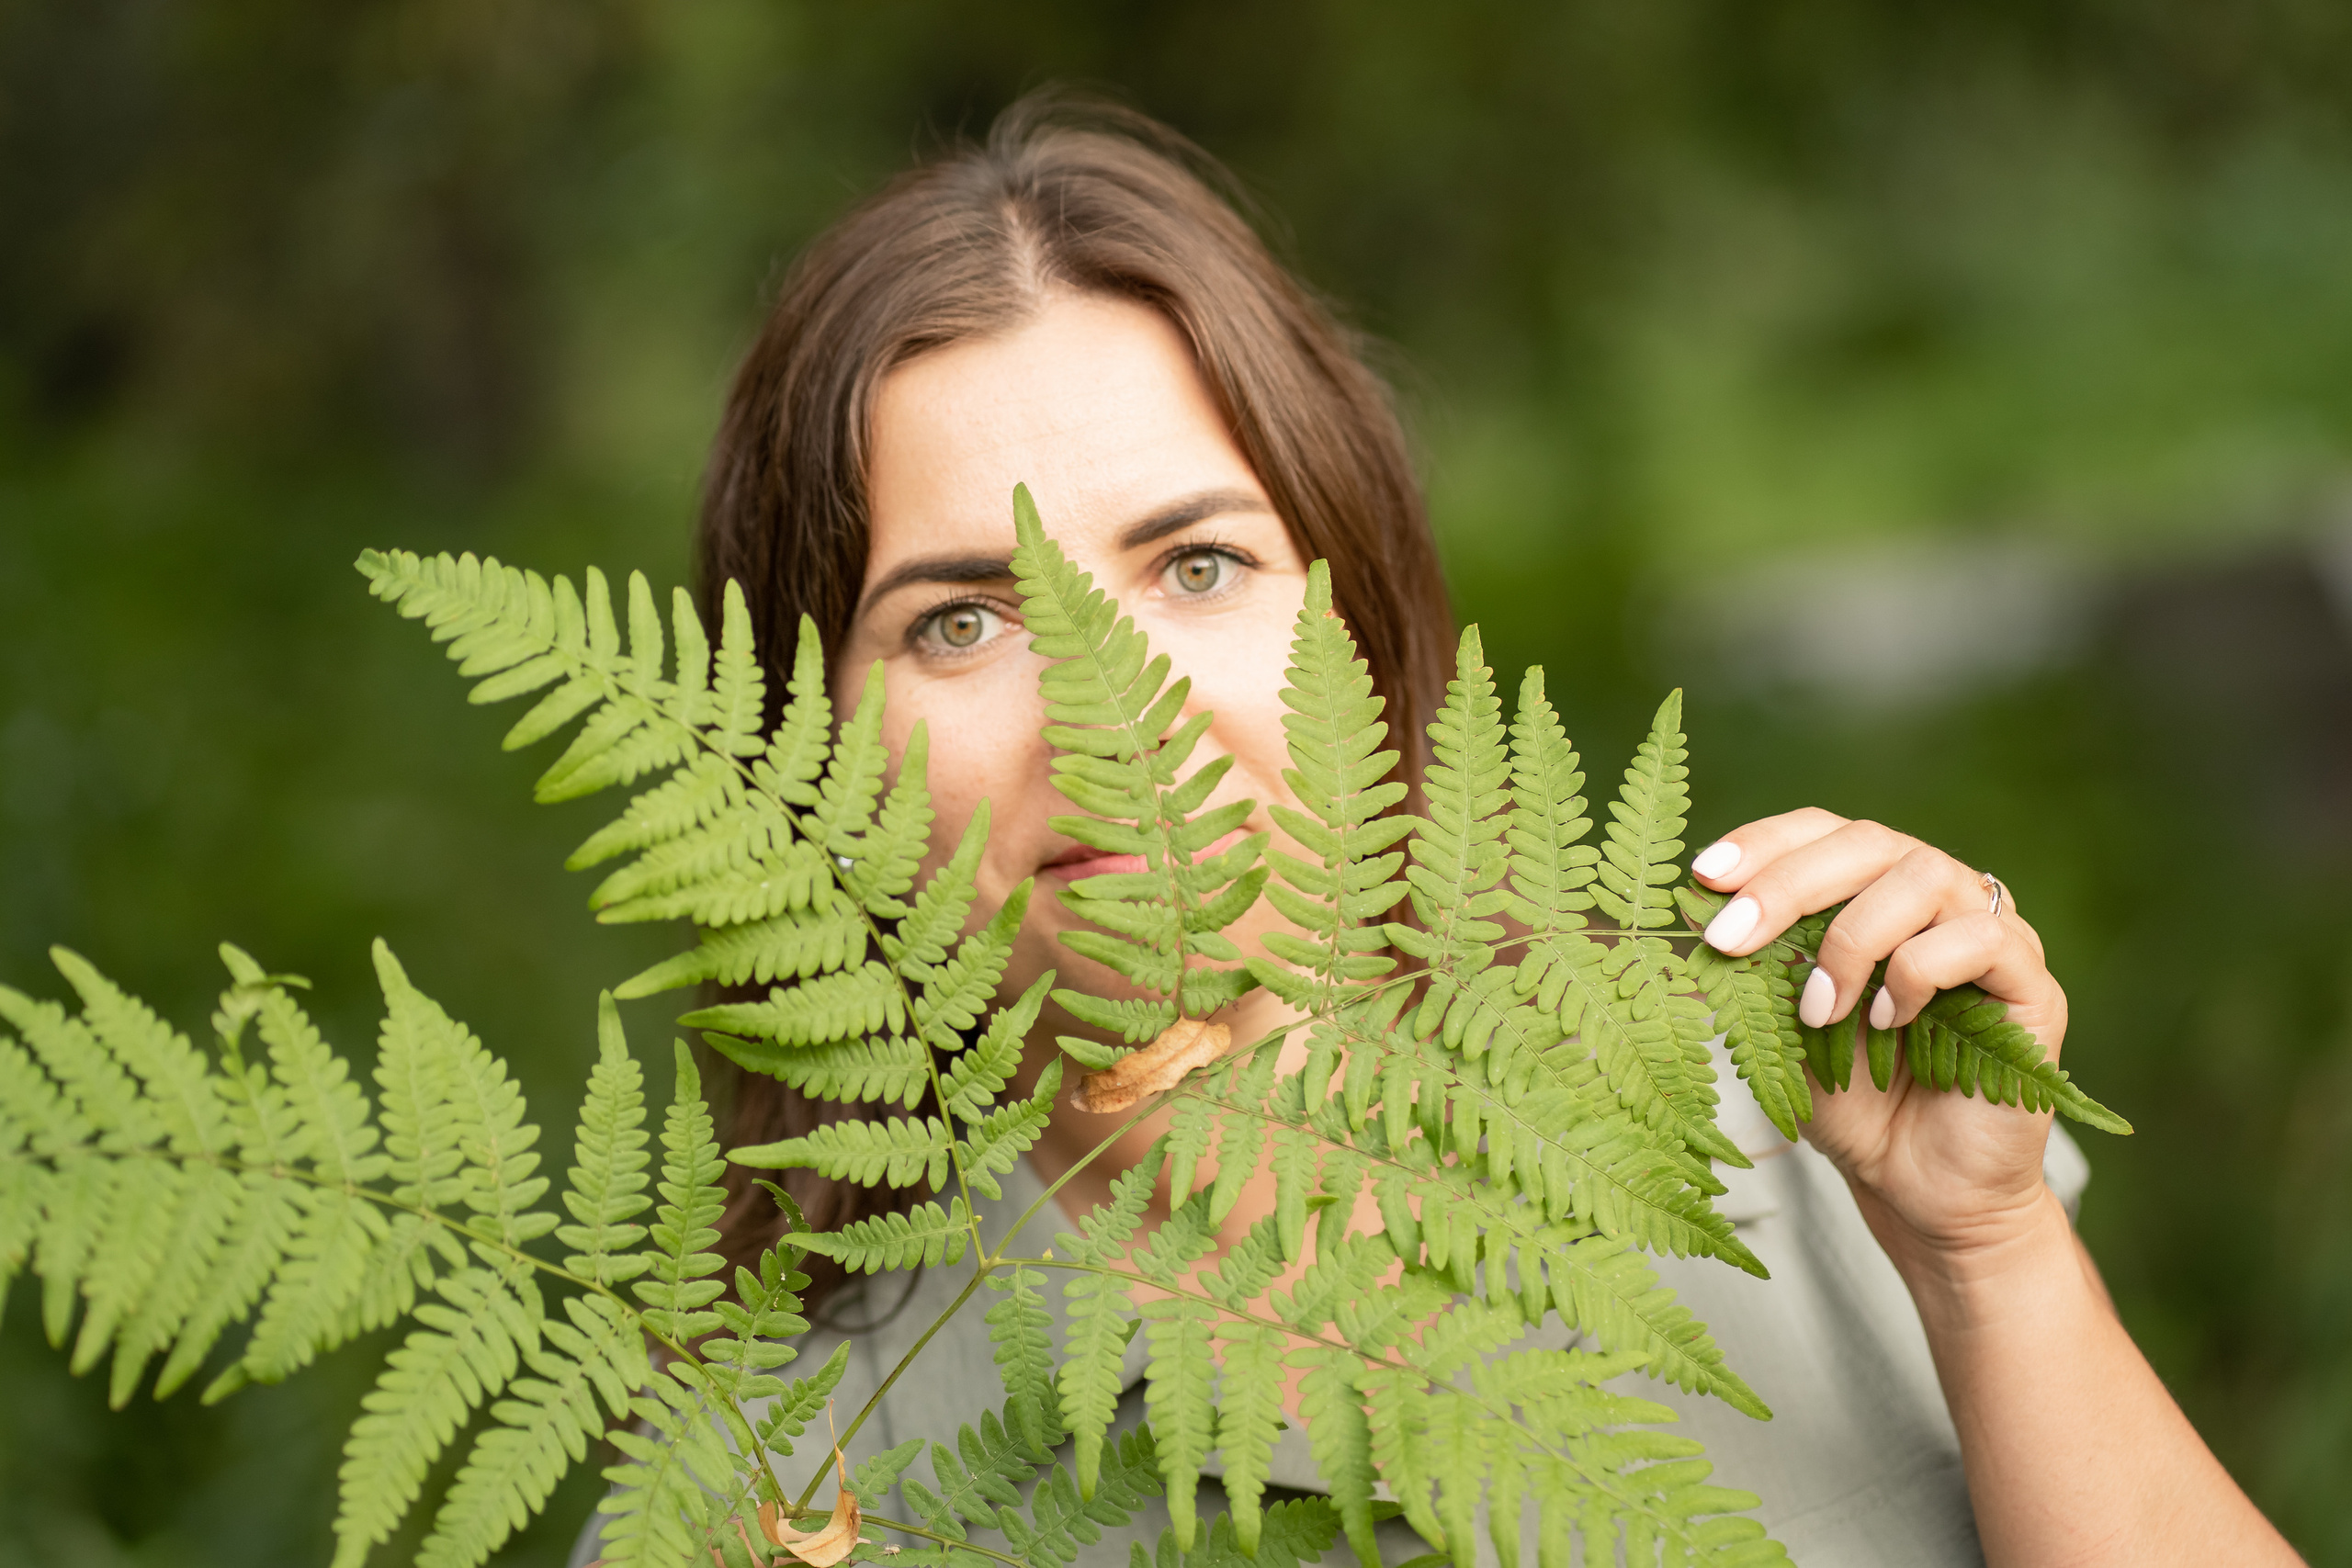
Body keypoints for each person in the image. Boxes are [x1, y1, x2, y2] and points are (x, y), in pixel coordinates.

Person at [582, 93, 2301, 1566]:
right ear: (800, 751)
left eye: (1197, 565)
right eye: (960, 620)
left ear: (1358, 621)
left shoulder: (1779, 1108)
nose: (1115, 708)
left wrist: (1989, 1258)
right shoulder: (760, 1486)